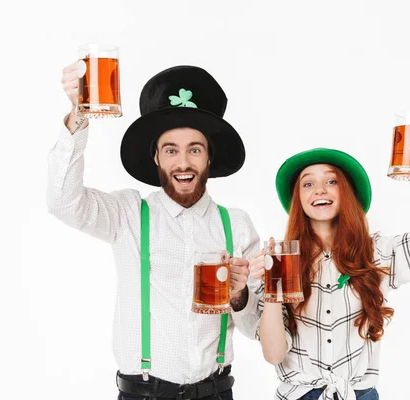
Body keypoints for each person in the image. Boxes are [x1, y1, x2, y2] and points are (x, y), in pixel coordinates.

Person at [48, 64, 262, 400]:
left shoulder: (237, 225)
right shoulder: (128, 213)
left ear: (209, 158)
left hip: (216, 393)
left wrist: (239, 296)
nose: (183, 163)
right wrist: (77, 116)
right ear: (156, 159)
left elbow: (255, 329)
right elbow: (63, 203)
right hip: (143, 394)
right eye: (171, 150)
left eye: (194, 149)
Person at [248, 123, 410, 400]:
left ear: (347, 192)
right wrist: (273, 285)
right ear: (298, 199)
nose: (319, 190)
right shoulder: (282, 260)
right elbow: (274, 353)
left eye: (332, 181)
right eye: (308, 183)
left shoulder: (377, 253)